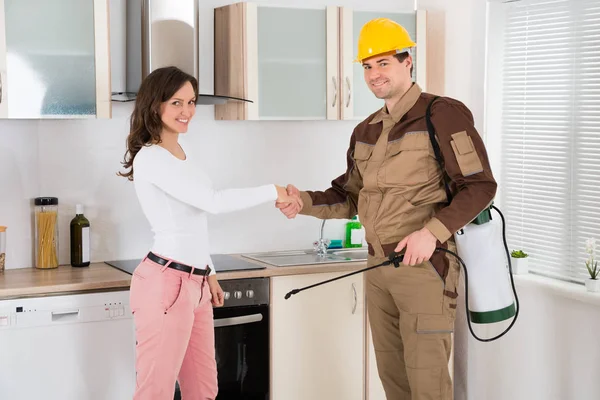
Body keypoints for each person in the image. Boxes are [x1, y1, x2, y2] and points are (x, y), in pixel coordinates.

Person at [278, 18, 497, 400]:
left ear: (407, 61)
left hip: (424, 270)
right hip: (377, 268)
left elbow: (479, 186)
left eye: (383, 63)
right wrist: (304, 203)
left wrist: (431, 233)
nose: (373, 74)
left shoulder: (441, 114)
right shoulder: (365, 130)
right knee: (393, 383)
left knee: (427, 386)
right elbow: (348, 196)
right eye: (367, 66)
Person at [118, 66, 299, 400]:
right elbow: (211, 203)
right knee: (155, 391)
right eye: (176, 102)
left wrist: (209, 272)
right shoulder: (151, 158)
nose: (187, 111)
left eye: (191, 102)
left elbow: (194, 220)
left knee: (203, 389)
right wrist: (272, 190)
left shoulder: (184, 156)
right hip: (166, 282)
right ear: (154, 105)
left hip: (196, 281)